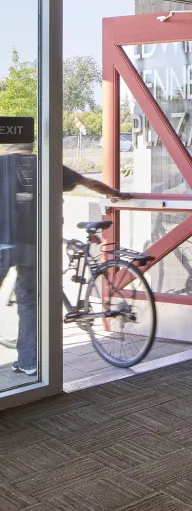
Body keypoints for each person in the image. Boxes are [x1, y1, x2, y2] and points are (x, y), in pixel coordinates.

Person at [0, 146, 127, 376]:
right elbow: (87, 182)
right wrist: (116, 193)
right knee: (29, 303)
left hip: (3, 243)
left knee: (28, 301)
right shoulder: (44, 165)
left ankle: (27, 359)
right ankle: (29, 362)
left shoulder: (2, 165)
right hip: (35, 243)